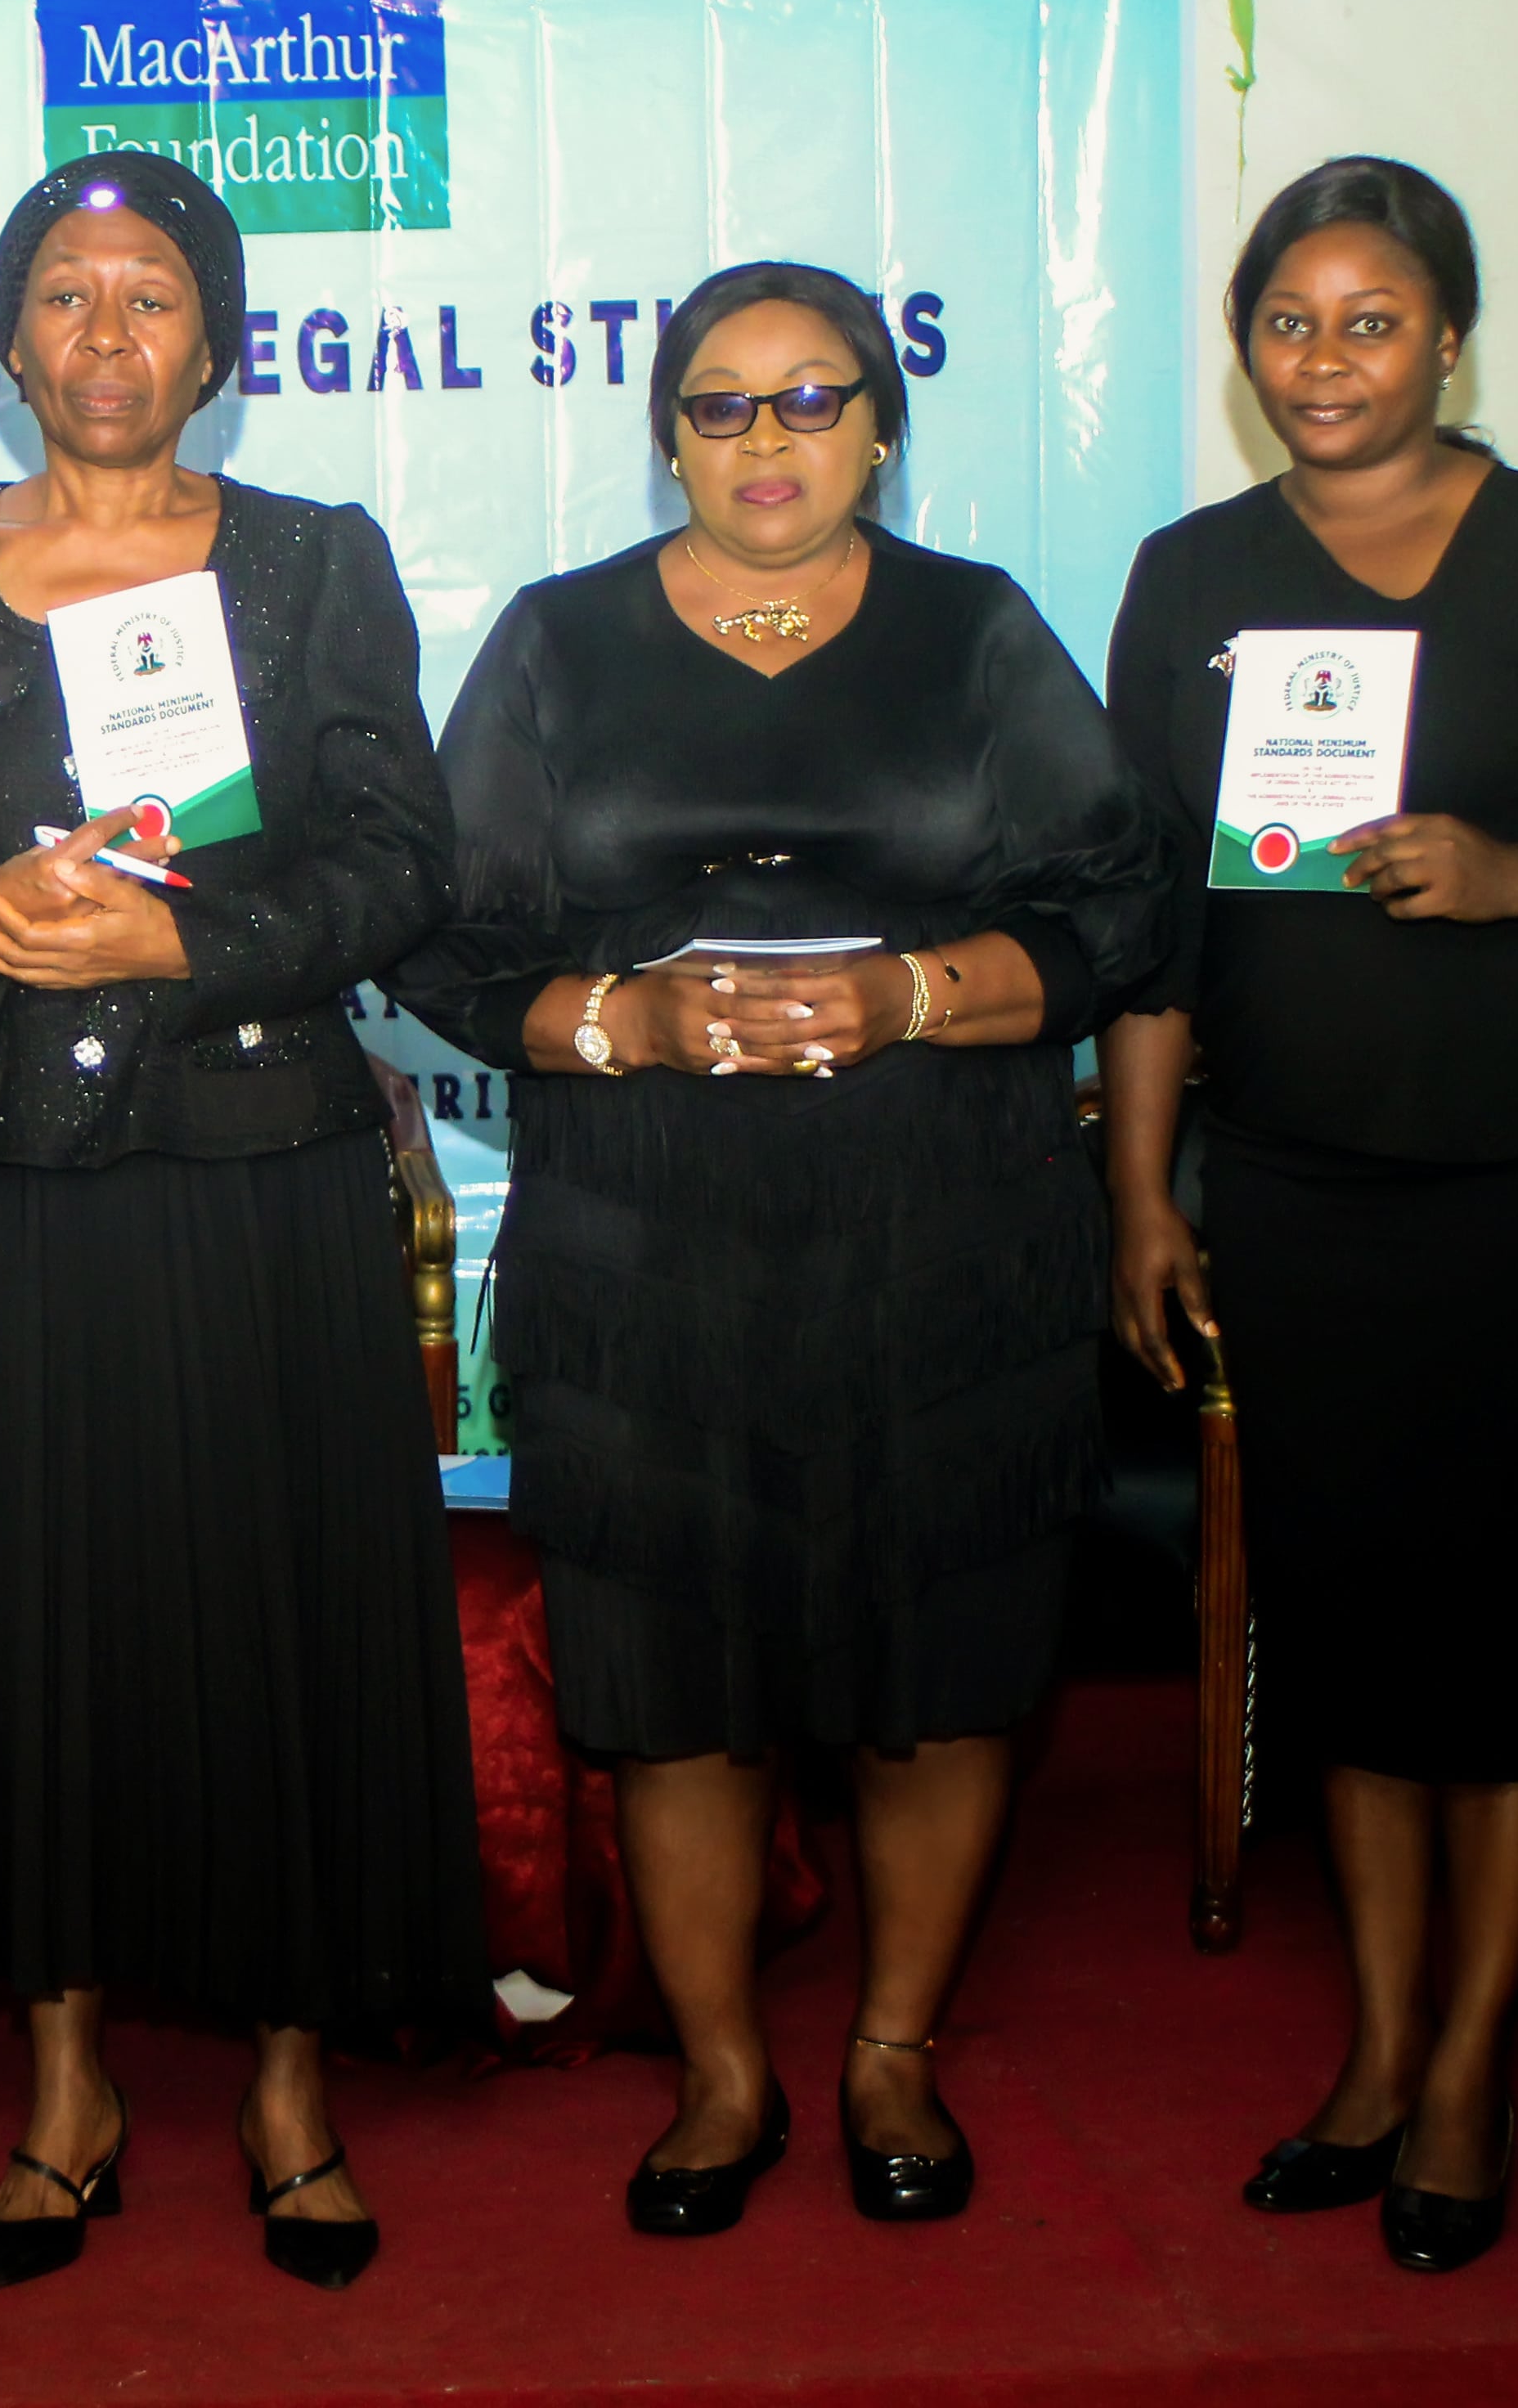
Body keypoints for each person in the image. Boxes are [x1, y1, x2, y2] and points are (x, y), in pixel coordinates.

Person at [394, 261, 1167, 2240]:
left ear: (880, 427)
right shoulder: (559, 642)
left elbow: (1121, 919)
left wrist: (915, 993)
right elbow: (447, 949)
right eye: (720, 403)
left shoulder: (976, 630)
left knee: (939, 1668)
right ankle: (724, 2076)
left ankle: (892, 2051)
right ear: (666, 433)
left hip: (947, 1235)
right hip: (650, 1253)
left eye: (812, 397)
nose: (767, 439)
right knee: (679, 1680)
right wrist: (622, 1020)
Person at [1098, 157, 1518, 2273]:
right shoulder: (1194, 574)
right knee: (1355, 1647)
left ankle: (1474, 2067)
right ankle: (1383, 2046)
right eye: (1288, 321)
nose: (1325, 360)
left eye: (1372, 319)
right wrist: (1142, 1193)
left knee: (1504, 1650)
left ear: (1451, 339)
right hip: (1298, 1195)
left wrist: (1515, 871)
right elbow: (1148, 917)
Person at [0, 152, 481, 2296]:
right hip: (18, 1192)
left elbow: (402, 860)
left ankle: (292, 2085)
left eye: (150, 295)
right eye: (64, 292)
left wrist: (179, 945)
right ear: (4, 337)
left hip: (262, 1170)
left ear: (214, 344)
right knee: (40, 1634)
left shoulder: (311, 562)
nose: (105, 332)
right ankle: (67, 2085)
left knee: (276, 1620)